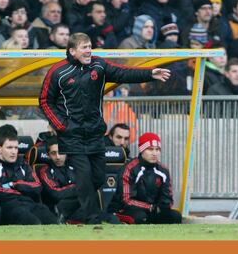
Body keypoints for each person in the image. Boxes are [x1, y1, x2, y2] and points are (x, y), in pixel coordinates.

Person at [39, 32, 171, 224]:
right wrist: (62, 126)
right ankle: (94, 219)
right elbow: (44, 100)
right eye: (84, 47)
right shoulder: (58, 72)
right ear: (72, 51)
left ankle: (65, 206)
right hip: (71, 135)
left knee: (98, 178)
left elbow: (123, 72)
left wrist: (150, 73)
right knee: (84, 178)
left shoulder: (99, 65)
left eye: (90, 46)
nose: (89, 50)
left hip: (94, 132)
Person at [108, 132, 182, 224]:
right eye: (150, 149)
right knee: (141, 217)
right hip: (126, 209)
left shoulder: (163, 170)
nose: (154, 153)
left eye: (157, 149)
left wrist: (163, 207)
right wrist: (150, 207)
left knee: (176, 216)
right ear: (142, 150)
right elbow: (126, 200)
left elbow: (167, 198)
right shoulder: (130, 168)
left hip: (152, 211)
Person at [0, 126, 58, 224]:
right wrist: (23, 188)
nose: (14, 152)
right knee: (33, 222)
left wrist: (14, 184)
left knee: (51, 220)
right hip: (9, 207)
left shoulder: (24, 165)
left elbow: (37, 187)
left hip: (29, 203)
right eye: (9, 147)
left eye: (16, 148)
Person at [39, 136, 82, 222]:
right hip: (55, 210)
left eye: (61, 152)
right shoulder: (45, 171)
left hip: (77, 207)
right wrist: (78, 188)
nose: (58, 157)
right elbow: (56, 194)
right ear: (48, 156)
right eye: (53, 153)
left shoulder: (75, 167)